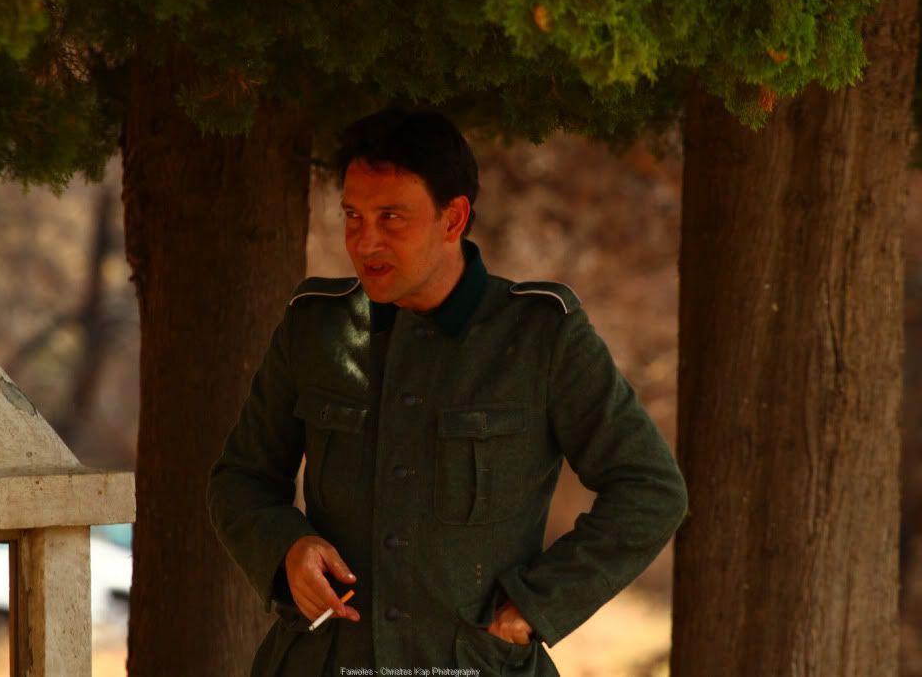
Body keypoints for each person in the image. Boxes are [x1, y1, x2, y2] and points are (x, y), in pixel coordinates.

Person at [206, 108, 688, 677]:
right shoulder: (314, 328)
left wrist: (535, 607)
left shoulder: (540, 336)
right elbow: (241, 479)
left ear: (453, 218)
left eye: (391, 217)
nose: (365, 241)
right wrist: (286, 548)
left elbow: (650, 491)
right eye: (353, 216)